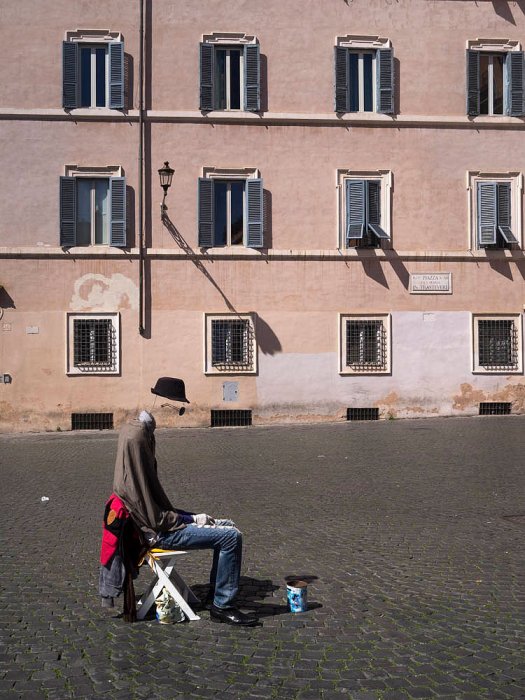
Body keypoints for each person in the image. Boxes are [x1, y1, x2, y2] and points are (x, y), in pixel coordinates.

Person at [112, 377, 258, 627]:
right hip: (155, 532)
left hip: (152, 522)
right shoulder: (138, 439)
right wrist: (188, 518)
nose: (178, 415)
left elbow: (149, 499)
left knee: (227, 524)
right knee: (231, 537)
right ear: (165, 405)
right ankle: (223, 605)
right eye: (179, 409)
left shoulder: (138, 429)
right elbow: (153, 514)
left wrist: (189, 515)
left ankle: (217, 595)